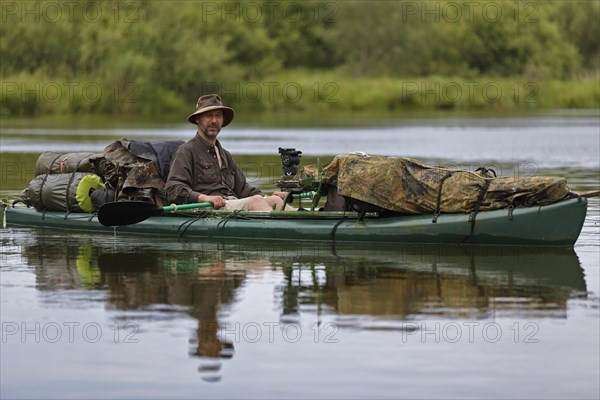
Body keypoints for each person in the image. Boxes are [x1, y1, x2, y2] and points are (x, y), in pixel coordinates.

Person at [165, 94, 292, 211]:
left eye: (218, 115)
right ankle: (282, 229)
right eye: (208, 115)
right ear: (198, 119)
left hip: (231, 205)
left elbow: (243, 189)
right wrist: (206, 198)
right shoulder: (186, 151)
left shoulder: (224, 155)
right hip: (205, 210)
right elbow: (173, 188)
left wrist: (266, 196)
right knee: (256, 201)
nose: (214, 121)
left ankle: (304, 227)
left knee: (275, 200)